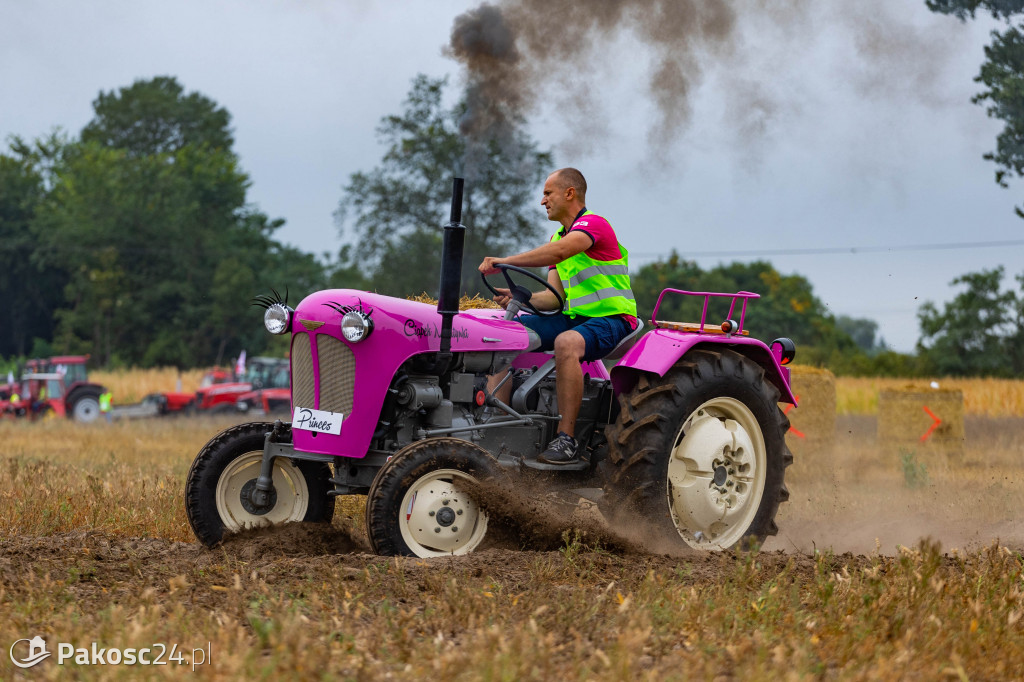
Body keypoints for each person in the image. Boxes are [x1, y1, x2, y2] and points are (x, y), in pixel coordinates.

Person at [478, 168, 637, 465]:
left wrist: (505, 261)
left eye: (548, 193)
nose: (542, 201)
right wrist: (518, 298)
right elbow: (553, 298)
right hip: (574, 318)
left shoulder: (594, 225)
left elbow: (558, 253)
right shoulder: (558, 235)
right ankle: (498, 427)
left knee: (566, 343)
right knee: (500, 334)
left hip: (612, 319)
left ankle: (566, 440)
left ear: (570, 193)